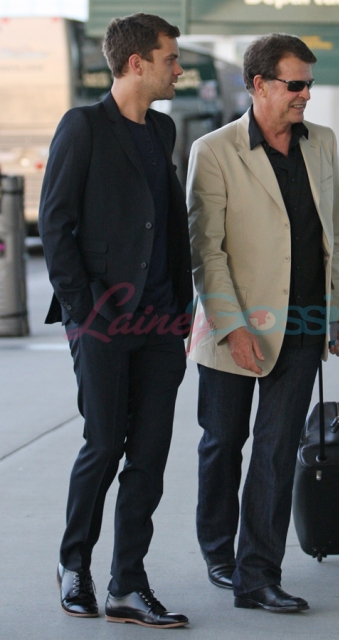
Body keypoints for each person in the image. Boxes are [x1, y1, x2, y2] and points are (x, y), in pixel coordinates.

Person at [187, 33, 339, 613]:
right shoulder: (214, 151)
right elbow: (206, 251)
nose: (305, 95)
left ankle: (258, 573)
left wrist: (338, 314)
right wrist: (233, 327)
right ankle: (220, 551)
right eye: (295, 84)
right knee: (223, 443)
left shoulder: (323, 143)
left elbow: (333, 238)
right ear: (259, 84)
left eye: (309, 84)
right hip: (234, 327)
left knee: (276, 448)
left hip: (303, 324)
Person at [39, 13, 192, 629]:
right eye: (170, 58)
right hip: (103, 321)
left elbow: (167, 224)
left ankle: (128, 583)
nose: (178, 69)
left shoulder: (162, 129)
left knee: (149, 456)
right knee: (104, 445)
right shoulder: (83, 127)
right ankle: (73, 563)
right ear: (136, 63)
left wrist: (183, 309)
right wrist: (84, 311)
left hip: (161, 323)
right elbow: (55, 224)